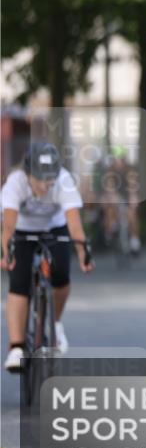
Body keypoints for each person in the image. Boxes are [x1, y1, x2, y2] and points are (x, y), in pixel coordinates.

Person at [1, 142, 94, 372]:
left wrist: (83, 251)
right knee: (19, 283)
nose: (47, 184)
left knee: (61, 274)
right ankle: (17, 347)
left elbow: (73, 222)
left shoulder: (63, 180)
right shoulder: (16, 182)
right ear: (28, 173)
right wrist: (6, 251)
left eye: (50, 177)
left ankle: (55, 323)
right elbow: (9, 225)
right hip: (22, 230)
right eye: (41, 178)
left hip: (54, 229)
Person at [100, 145, 141, 254]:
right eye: (117, 158)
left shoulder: (130, 169)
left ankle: (134, 241)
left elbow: (133, 185)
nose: (120, 161)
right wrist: (111, 196)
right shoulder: (110, 170)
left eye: (122, 158)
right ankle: (111, 230)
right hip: (115, 195)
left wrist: (133, 197)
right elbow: (109, 186)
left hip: (127, 195)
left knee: (132, 215)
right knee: (110, 208)